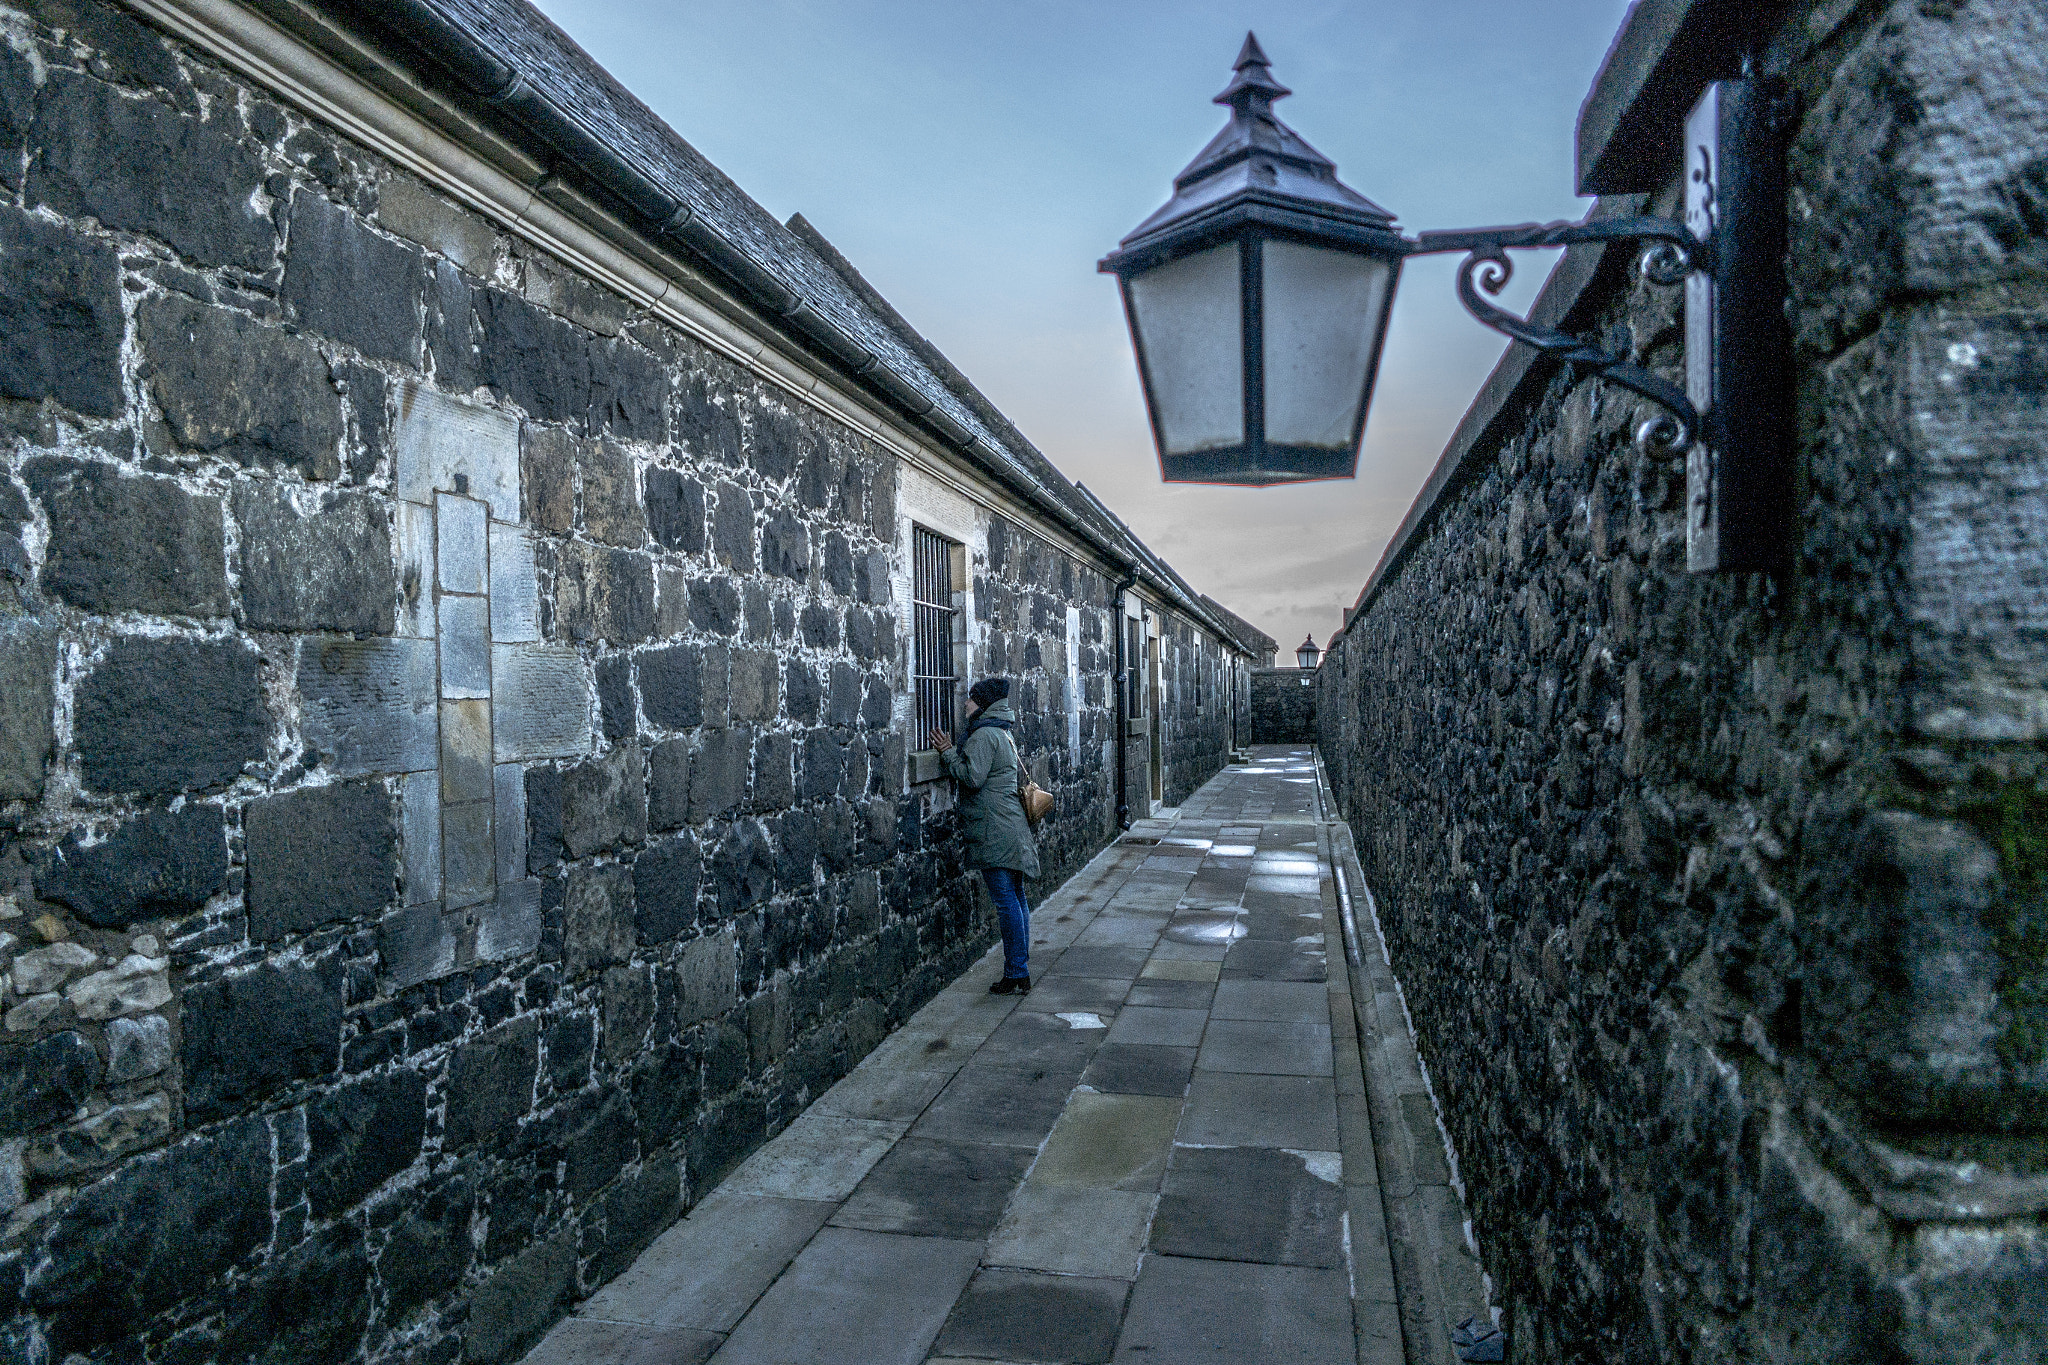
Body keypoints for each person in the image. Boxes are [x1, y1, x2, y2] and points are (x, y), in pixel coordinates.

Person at [930, 677, 1040, 993]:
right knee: (1016, 898)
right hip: (1011, 826)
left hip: (995, 830)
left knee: (1007, 901)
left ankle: (1017, 970)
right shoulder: (1003, 732)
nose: (965, 704)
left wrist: (949, 752)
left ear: (982, 704)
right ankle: (1019, 965)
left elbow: (971, 777)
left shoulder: (983, 736)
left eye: (970, 699)